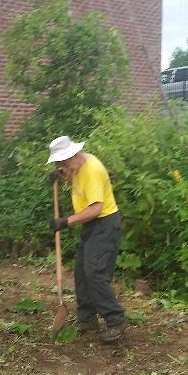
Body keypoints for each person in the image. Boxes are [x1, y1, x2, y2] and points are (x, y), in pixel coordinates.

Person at [47, 135, 127, 343]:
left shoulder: (91, 170)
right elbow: (73, 176)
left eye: (62, 163)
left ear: (72, 155)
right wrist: (59, 175)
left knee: (95, 273)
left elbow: (96, 208)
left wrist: (65, 222)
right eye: (58, 163)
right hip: (91, 225)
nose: (62, 166)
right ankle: (87, 318)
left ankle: (116, 320)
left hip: (104, 223)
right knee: (81, 272)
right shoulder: (76, 166)